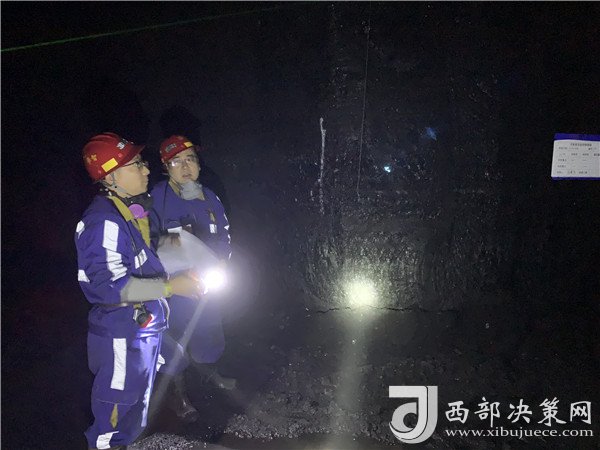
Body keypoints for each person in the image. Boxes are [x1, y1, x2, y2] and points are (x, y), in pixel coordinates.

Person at [75, 132, 200, 449]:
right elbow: (106, 286)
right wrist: (171, 286)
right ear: (110, 177)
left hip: (143, 327)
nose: (146, 170)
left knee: (135, 411)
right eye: (136, 165)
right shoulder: (103, 222)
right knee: (115, 415)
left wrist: (178, 257)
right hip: (122, 334)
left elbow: (143, 259)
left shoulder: (129, 211)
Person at [150, 135, 234, 423]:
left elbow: (223, 234)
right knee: (174, 341)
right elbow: (148, 242)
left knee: (209, 332)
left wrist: (222, 261)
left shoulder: (210, 197)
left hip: (207, 282)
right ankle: (178, 394)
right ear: (165, 167)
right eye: (177, 161)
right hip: (175, 286)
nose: (185, 167)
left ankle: (208, 373)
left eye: (191, 159)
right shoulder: (156, 199)